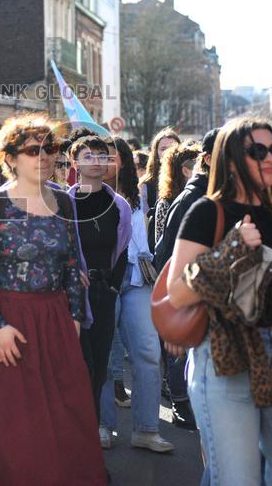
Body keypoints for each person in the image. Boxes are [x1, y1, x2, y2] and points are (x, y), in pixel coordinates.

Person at [168, 118, 272, 486]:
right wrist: (232, 250)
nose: (271, 158)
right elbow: (176, 292)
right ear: (232, 159)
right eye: (258, 151)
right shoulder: (209, 211)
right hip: (223, 358)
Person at [0, 114, 107, 486]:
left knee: (70, 420)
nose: (45, 156)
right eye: (33, 150)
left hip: (55, 319)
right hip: (7, 323)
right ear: (10, 158)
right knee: (20, 431)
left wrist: (75, 318)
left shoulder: (63, 199)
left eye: (52, 148)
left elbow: (73, 261)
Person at [98, 136, 175, 454]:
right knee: (100, 356)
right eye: (103, 157)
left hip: (136, 278)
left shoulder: (138, 191)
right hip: (102, 280)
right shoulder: (83, 194)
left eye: (114, 157)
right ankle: (102, 425)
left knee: (147, 352)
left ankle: (146, 429)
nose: (108, 163)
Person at [66, 136, 132, 450]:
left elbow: (121, 251)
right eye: (88, 155)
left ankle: (90, 437)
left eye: (101, 156)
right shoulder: (63, 203)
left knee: (99, 368)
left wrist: (112, 287)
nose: (96, 161)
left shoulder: (119, 205)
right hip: (70, 299)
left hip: (103, 294)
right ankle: (72, 436)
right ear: (74, 162)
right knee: (77, 367)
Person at [153, 127, 218, 430]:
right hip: (190, 301)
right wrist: (173, 311)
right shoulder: (193, 200)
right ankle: (181, 403)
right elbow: (166, 258)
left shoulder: (212, 196)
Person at [154, 141, 202, 244]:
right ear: (186, 171)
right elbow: (161, 245)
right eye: (199, 167)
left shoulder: (204, 196)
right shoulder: (165, 203)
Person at [140, 128, 180, 251]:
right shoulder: (146, 184)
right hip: (156, 246)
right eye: (163, 149)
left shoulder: (187, 178)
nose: (168, 152)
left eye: (172, 147)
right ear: (156, 154)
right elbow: (144, 223)